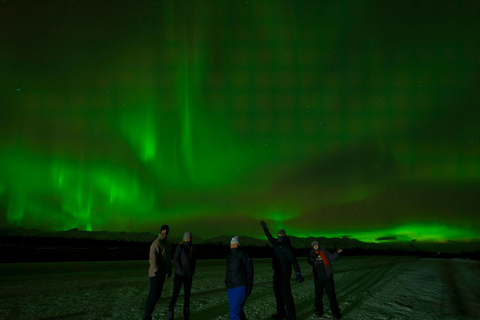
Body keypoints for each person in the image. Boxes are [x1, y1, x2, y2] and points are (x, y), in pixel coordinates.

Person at [260, 221, 304, 320]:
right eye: (278, 235)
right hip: (277, 272)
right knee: (277, 293)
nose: (279, 237)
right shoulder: (277, 243)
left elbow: (293, 260)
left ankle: (292, 316)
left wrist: (298, 273)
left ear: (284, 236)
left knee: (286, 293)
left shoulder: (286, 247)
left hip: (284, 273)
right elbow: (270, 238)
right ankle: (281, 313)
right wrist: (265, 228)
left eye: (281, 235)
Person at [143, 224, 172, 320]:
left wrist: (169, 268)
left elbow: (167, 257)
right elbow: (152, 259)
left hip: (162, 274)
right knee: (153, 297)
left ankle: (148, 316)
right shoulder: (157, 243)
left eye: (166, 230)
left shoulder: (167, 243)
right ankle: (146, 317)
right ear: (160, 231)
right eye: (163, 230)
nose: (165, 232)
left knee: (156, 296)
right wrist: (156, 271)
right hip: (155, 274)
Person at [308, 240, 342, 319]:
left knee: (331, 295)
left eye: (316, 245)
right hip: (318, 278)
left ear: (319, 245)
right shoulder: (312, 254)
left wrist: (337, 253)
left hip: (327, 277)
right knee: (318, 296)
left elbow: (333, 258)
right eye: (314, 246)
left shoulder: (325, 252)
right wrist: (311, 256)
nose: (315, 246)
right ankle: (319, 310)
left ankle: (336, 312)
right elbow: (310, 262)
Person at [167, 232, 196, 320]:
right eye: (187, 239)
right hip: (179, 275)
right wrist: (181, 268)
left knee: (187, 296)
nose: (188, 240)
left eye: (190, 238)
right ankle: (170, 313)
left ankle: (186, 314)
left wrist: (192, 271)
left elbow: (194, 261)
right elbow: (175, 259)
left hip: (188, 276)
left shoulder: (192, 248)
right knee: (175, 294)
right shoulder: (180, 247)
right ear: (184, 239)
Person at [225, 236, 254, 320]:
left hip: (240, 285)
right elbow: (228, 271)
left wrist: (249, 284)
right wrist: (227, 282)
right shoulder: (229, 256)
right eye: (232, 244)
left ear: (239, 245)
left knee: (234, 310)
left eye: (235, 244)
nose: (233, 246)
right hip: (231, 286)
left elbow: (249, 270)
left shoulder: (243, 253)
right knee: (236, 309)